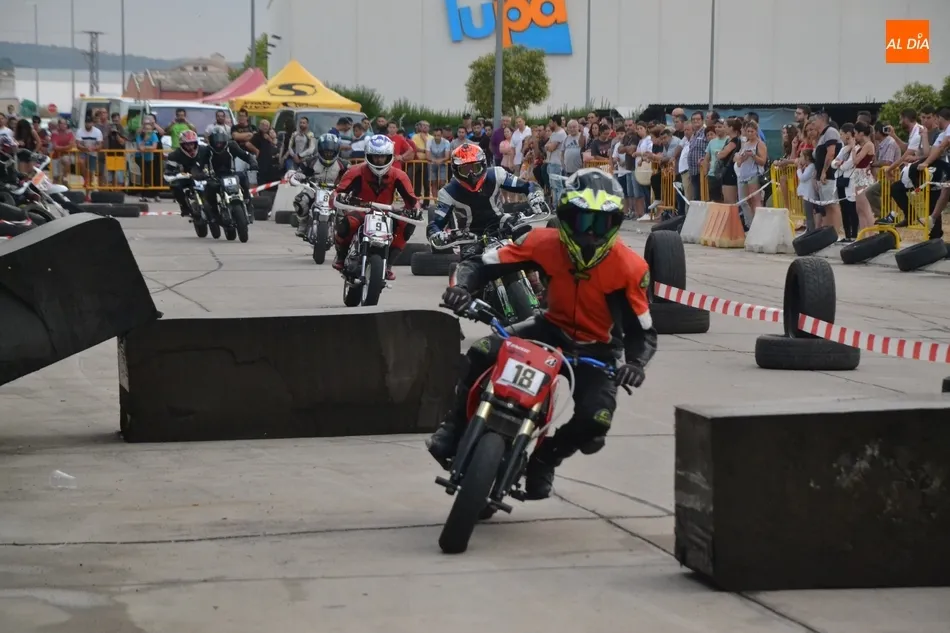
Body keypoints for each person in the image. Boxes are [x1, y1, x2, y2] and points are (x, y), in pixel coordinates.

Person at [427, 168, 657, 499]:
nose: (590, 234)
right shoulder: (541, 243)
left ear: (615, 223)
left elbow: (643, 330)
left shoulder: (631, 268)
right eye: (582, 221)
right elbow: (480, 264)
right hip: (548, 329)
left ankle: (545, 459)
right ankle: (453, 428)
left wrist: (635, 363)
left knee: (597, 420)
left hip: (599, 349)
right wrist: (461, 289)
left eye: (600, 223)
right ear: (565, 218)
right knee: (481, 351)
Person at [331, 134, 420, 281]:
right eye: (375, 156)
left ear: (389, 156)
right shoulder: (355, 171)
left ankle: (388, 264)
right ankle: (341, 256)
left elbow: (412, 200)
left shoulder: (399, 175)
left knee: (407, 224)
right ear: (368, 155)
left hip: (386, 213)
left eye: (382, 157)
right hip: (361, 210)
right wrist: (338, 197)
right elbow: (338, 192)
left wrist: (415, 210)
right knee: (348, 223)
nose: (379, 160)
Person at [426, 143, 546, 246]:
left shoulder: (497, 174)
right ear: (456, 170)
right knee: (469, 261)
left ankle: (530, 265)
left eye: (475, 168)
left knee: (524, 232)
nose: (471, 175)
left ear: (483, 164)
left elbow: (528, 185)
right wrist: (436, 234)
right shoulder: (447, 192)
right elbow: (435, 224)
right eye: (465, 170)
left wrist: (536, 195)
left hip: (501, 223)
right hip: (469, 235)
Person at [294, 133, 349, 238]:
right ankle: (303, 223)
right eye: (326, 152)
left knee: (346, 206)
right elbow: (298, 173)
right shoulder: (310, 161)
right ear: (320, 150)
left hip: (336, 191)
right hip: (314, 189)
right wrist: (300, 176)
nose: (328, 155)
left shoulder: (344, 164)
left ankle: (341, 229)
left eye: (330, 152)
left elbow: (353, 176)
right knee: (300, 200)